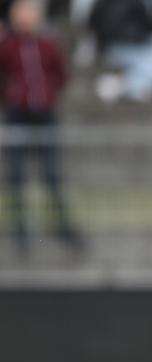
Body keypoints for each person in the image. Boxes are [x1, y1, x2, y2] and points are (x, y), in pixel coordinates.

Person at [0, 0, 79, 255]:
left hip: (45, 114)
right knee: (17, 176)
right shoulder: (7, 47)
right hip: (17, 114)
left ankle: (63, 228)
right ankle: (21, 232)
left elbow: (61, 74)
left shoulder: (48, 45)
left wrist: (49, 95)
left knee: (52, 175)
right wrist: (12, 96)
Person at [89, 0, 152, 102]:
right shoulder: (134, 4)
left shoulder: (101, 4)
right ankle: (125, 87)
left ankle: (124, 85)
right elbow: (147, 26)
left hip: (120, 46)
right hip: (123, 47)